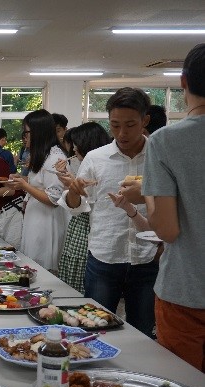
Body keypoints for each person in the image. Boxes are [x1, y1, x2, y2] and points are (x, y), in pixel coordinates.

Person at [58, 87, 158, 338]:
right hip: (104, 256)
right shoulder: (96, 158)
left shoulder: (159, 155)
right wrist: (74, 190)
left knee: (143, 331)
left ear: (145, 121)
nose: (122, 133)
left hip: (147, 259)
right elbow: (74, 205)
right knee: (93, 328)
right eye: (115, 126)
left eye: (130, 125)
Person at [142, 43, 205, 371]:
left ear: (183, 81)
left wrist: (148, 192)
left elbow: (167, 229)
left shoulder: (166, 141)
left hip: (187, 290)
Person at [5, 110, 69, 272]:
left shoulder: (54, 159)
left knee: (41, 270)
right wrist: (22, 180)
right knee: (32, 266)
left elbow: (53, 199)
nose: (24, 138)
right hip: (36, 218)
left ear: (38, 132)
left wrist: (24, 186)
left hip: (45, 223)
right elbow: (40, 183)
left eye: (26, 133)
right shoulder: (44, 156)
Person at [55, 123, 110, 294]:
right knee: (73, 273)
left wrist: (73, 185)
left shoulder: (101, 164)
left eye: (77, 147)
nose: (74, 151)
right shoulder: (86, 162)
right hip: (79, 227)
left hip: (90, 229)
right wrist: (72, 183)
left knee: (83, 281)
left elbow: (92, 202)